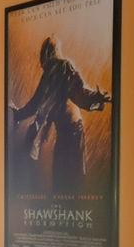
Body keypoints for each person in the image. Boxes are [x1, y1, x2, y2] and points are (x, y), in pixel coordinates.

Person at [11, 35, 110, 189]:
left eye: (48, 52)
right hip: (65, 131)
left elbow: (79, 93)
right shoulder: (50, 74)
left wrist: (97, 98)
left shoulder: (64, 66)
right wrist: (19, 114)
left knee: (70, 178)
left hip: (73, 130)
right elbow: (36, 102)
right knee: (63, 179)